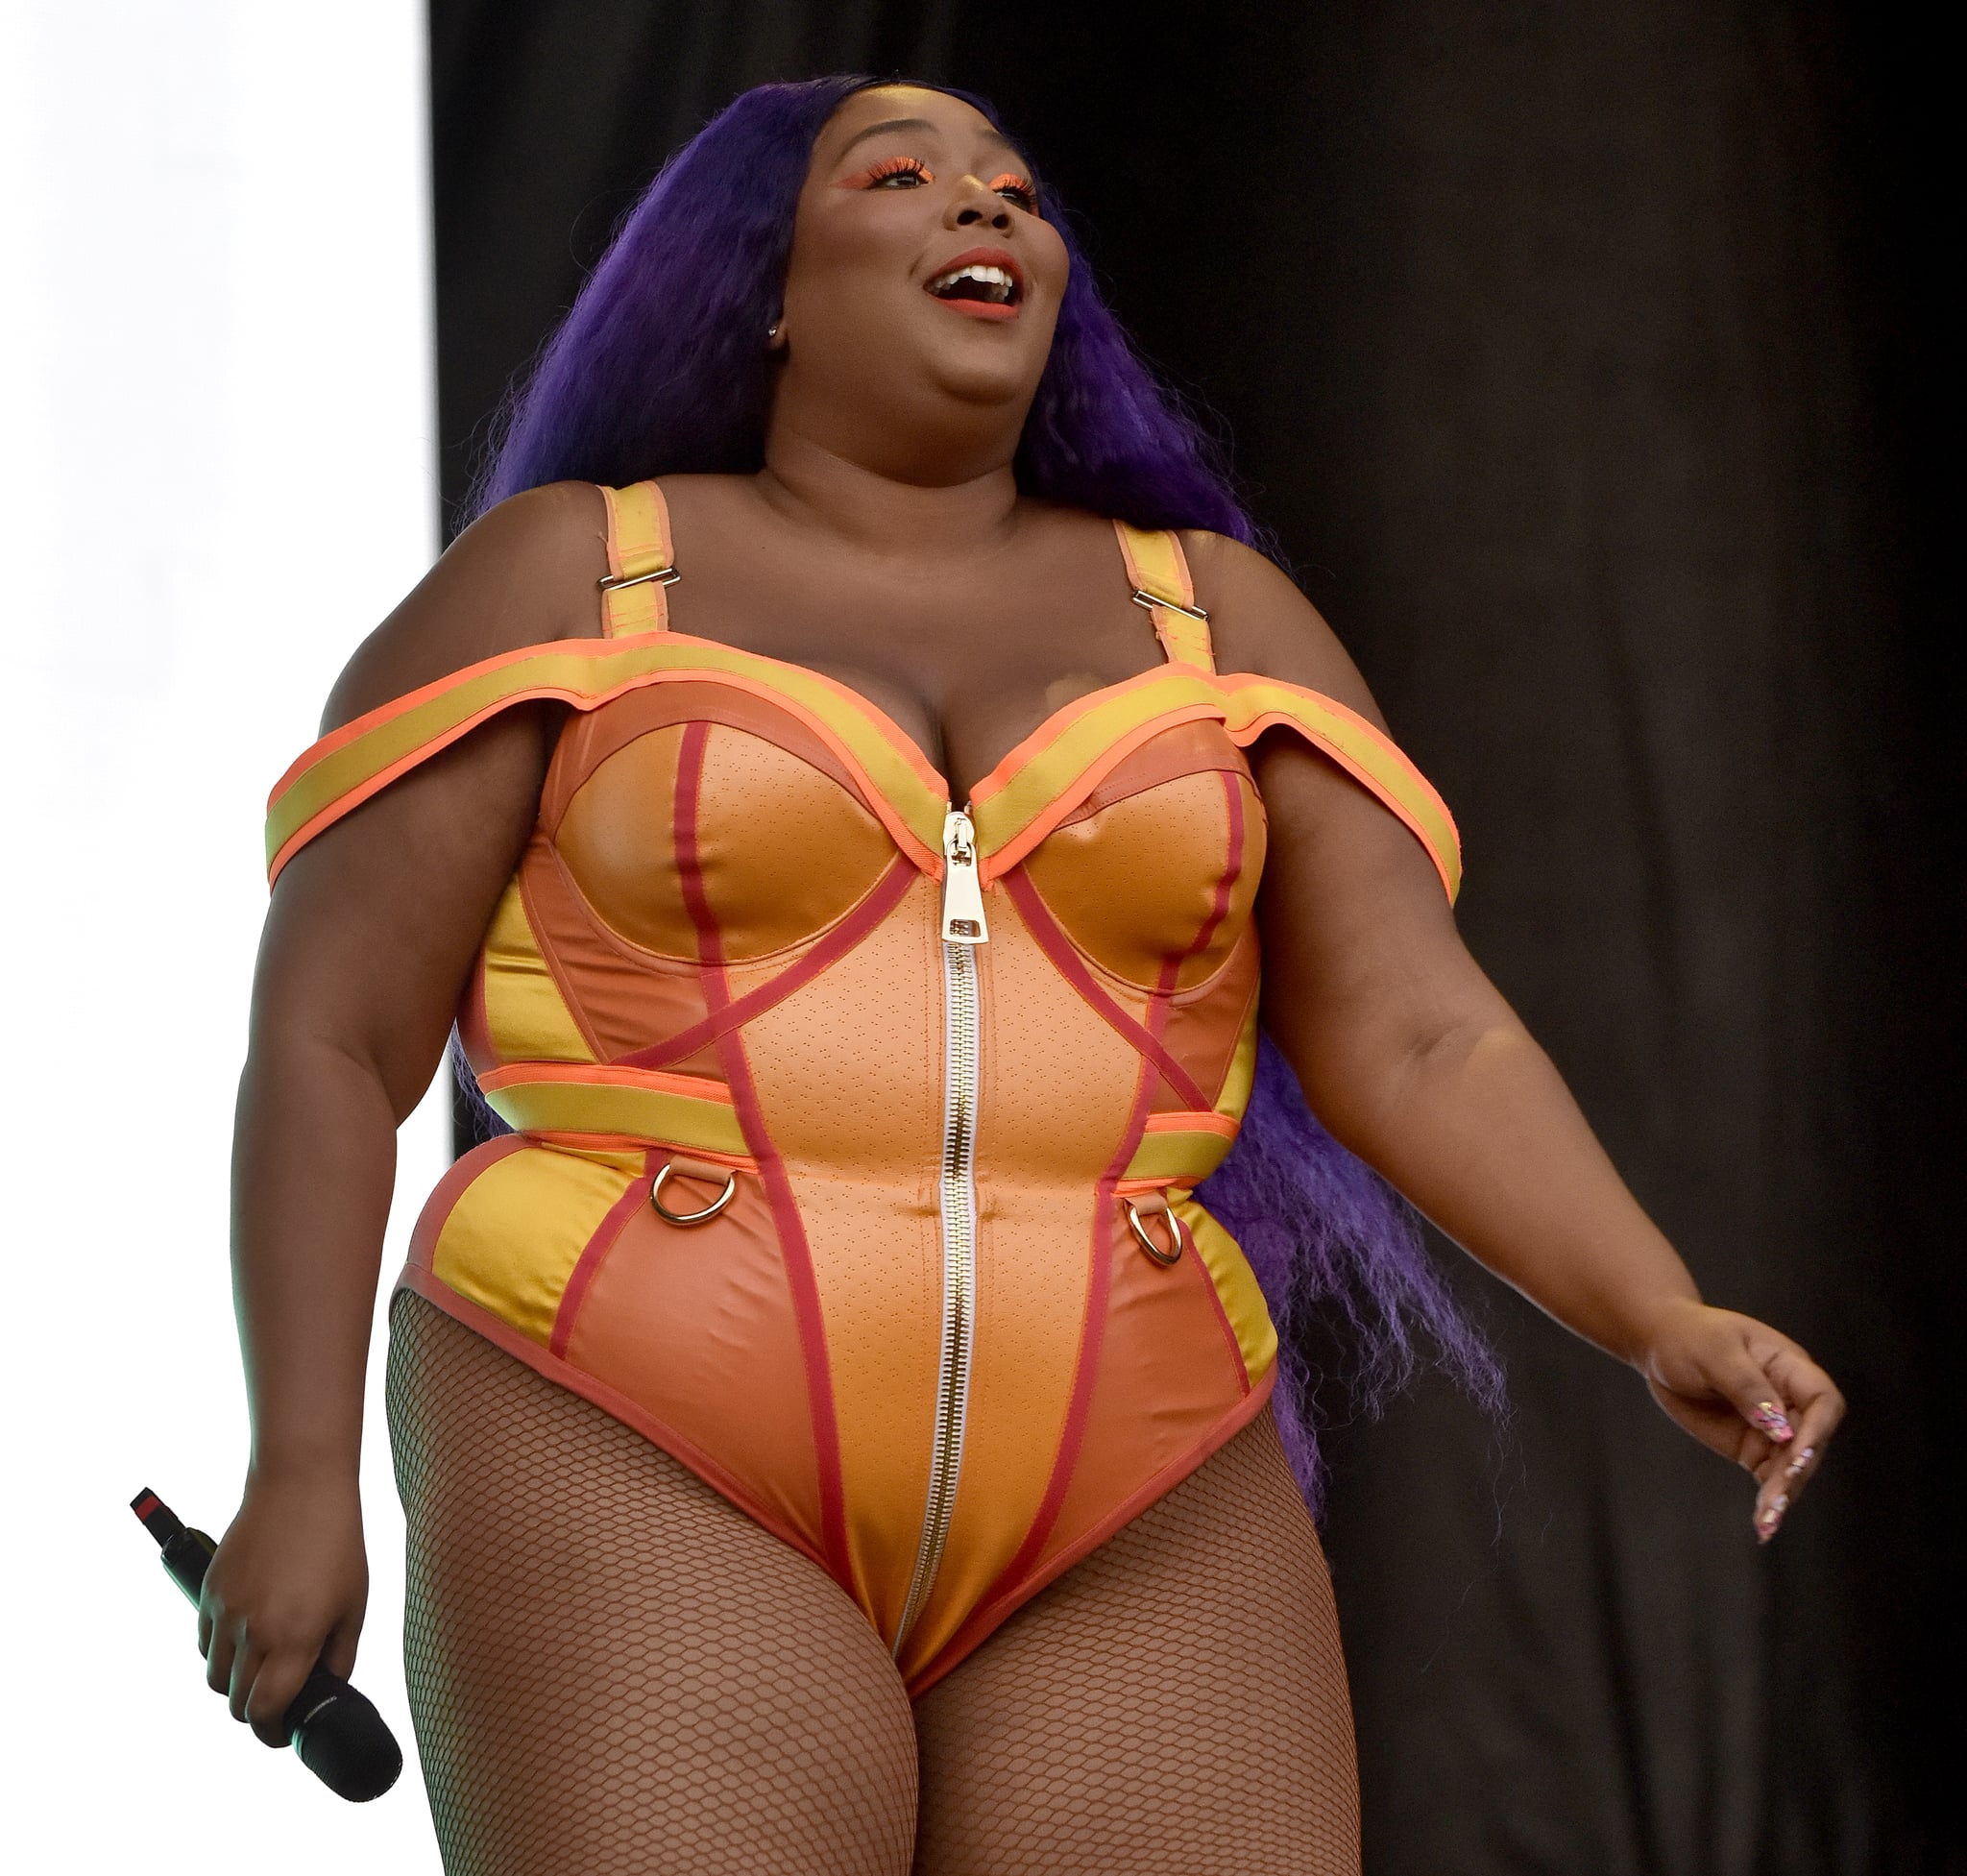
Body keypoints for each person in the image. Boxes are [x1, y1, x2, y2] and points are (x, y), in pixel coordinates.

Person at [199, 76, 1845, 1875]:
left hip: (1133, 1471)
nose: (987, 211)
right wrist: (299, 1466)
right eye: (902, 179)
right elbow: (336, 1033)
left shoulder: (1212, 614)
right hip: (631, 1414)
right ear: (765, 285)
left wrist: (1656, 1306)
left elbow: (1424, 1028)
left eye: (1018, 193)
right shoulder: (578, 575)